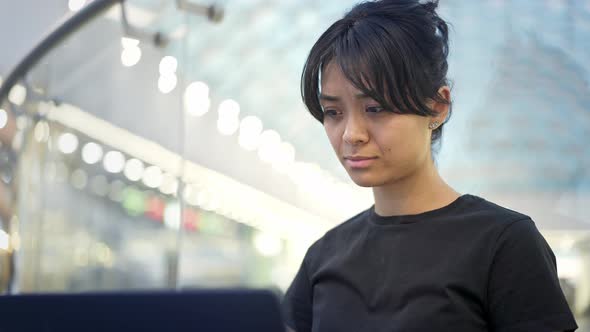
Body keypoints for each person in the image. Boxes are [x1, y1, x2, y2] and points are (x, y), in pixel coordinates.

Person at [281, 0, 579, 331]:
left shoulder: (503, 244)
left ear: (437, 108)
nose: (351, 134)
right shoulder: (323, 258)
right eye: (334, 112)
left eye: (376, 108)